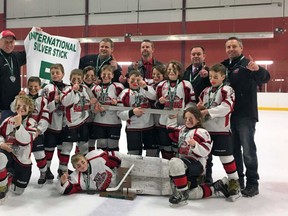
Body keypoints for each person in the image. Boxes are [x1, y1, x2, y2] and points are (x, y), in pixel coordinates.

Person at [221, 36, 270, 197]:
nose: (231, 49)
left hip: (245, 115)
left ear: (241, 48)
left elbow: (265, 77)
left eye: (234, 46)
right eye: (228, 46)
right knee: (233, 150)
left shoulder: (247, 65)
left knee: (248, 151)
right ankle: (239, 180)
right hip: (229, 115)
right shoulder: (223, 66)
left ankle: (252, 183)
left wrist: (258, 69)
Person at [167, 106, 231, 204]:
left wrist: (194, 145)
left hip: (197, 165)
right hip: (184, 167)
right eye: (186, 119)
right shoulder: (182, 129)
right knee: (192, 194)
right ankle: (217, 187)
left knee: (175, 162)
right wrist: (172, 117)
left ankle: (182, 193)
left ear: (198, 119)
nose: (187, 121)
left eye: (191, 118)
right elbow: (171, 131)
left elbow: (206, 151)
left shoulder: (202, 132)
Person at [197, 63, 241, 200]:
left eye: (216, 76)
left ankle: (234, 182)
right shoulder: (205, 91)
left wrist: (207, 111)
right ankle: (202, 181)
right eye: (210, 76)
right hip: (206, 131)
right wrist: (200, 108)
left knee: (226, 158)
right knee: (203, 157)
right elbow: (202, 108)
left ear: (223, 76)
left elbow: (226, 107)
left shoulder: (227, 90)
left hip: (221, 130)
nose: (212, 79)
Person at [11, 76, 50, 186]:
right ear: (27, 87)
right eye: (31, 86)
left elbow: (45, 116)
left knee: (39, 154)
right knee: (21, 153)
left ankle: (43, 172)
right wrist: (17, 98)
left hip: (35, 131)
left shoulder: (42, 100)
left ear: (40, 87)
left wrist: (39, 129)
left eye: (35, 86)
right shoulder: (23, 98)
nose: (33, 89)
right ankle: (19, 174)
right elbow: (13, 108)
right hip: (22, 131)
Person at [0, 95, 37, 201]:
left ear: (30, 108)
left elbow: (25, 141)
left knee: (17, 191)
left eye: (24, 106)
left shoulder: (32, 123)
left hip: (22, 159)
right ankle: (2, 186)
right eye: (18, 106)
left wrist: (18, 125)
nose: (21, 108)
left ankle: (9, 177)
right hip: (8, 154)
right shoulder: (8, 120)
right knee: (1, 156)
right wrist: (2, 144)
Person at [156, 61, 195, 159]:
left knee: (178, 146)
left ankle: (178, 170)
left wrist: (181, 113)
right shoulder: (161, 85)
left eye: (174, 69)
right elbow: (155, 105)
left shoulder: (186, 84)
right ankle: (167, 169)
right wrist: (160, 102)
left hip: (180, 122)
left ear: (180, 71)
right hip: (164, 121)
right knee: (166, 146)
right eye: (169, 69)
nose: (171, 71)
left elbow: (191, 103)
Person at [59, 69, 94, 176]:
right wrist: (73, 91)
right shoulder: (67, 89)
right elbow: (65, 102)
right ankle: (63, 171)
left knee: (84, 148)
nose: (76, 81)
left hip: (83, 123)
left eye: (79, 79)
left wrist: (94, 102)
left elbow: (92, 100)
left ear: (82, 79)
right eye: (74, 79)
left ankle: (85, 170)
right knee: (66, 149)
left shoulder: (86, 89)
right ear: (70, 79)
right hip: (70, 125)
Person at [117, 70, 158, 157]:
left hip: (149, 127)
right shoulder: (124, 93)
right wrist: (132, 112)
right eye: (132, 80)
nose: (135, 82)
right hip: (133, 128)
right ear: (128, 80)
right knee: (134, 154)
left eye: (138, 80)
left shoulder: (146, 89)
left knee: (152, 153)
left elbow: (154, 97)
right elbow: (120, 113)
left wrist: (145, 87)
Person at [42, 63, 68, 182]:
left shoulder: (68, 88)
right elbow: (44, 107)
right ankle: (47, 169)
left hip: (65, 124)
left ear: (63, 74)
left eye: (57, 73)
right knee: (49, 148)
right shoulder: (47, 88)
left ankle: (62, 169)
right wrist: (56, 102)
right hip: (51, 124)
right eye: (53, 73)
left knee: (63, 148)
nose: (55, 75)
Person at [91, 65, 124, 151]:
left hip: (114, 122)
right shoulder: (95, 88)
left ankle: (114, 165)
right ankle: (101, 164)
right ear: (100, 75)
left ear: (113, 75)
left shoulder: (118, 87)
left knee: (113, 147)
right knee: (101, 148)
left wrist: (116, 103)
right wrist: (94, 107)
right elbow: (91, 104)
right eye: (104, 74)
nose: (106, 76)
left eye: (109, 74)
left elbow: (124, 102)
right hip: (99, 122)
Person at [0, 30, 26, 124]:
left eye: (11, 42)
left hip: (16, 107)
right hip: (3, 110)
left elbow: (30, 52)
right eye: (6, 41)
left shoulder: (15, 56)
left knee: (13, 136)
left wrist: (35, 34)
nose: (9, 44)